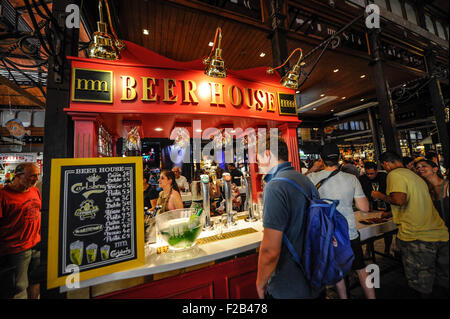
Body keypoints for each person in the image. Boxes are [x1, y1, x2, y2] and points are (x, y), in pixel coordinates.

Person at [372, 151, 449, 298]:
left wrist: (379, 196)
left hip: (417, 236)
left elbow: (400, 200)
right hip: (439, 234)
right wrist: (390, 213)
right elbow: (415, 202)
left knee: (422, 285)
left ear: (385, 164)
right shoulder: (414, 176)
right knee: (441, 280)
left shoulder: (394, 174)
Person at [256, 135, 322, 299]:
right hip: (314, 275)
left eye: (258, 159)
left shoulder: (275, 186)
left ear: (268, 154)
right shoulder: (303, 179)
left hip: (289, 285)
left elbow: (270, 250)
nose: (257, 165)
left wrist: (260, 282)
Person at [308, 143, 375, 299]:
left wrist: (312, 169)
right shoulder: (351, 178)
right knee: (360, 268)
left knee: (336, 270)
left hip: (327, 234)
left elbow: (300, 183)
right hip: (349, 231)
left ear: (321, 159)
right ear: (339, 158)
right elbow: (364, 207)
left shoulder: (312, 178)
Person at [0, 163, 42, 299]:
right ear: (18, 176)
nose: (36, 179)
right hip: (15, 249)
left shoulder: (35, 191)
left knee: (35, 280)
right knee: (17, 287)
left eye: (37, 175)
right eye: (32, 176)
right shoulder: (3, 196)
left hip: (36, 243)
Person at [358, 161, 392, 255]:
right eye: (367, 173)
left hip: (386, 205)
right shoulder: (362, 178)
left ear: (376, 171)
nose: (369, 175)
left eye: (372, 173)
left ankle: (387, 250)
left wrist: (382, 197)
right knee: (370, 229)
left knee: (388, 229)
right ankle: (369, 249)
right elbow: (363, 193)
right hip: (372, 206)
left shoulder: (383, 176)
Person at [415, 159, 449, 228]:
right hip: (441, 232)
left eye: (423, 166)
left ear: (435, 169)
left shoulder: (447, 186)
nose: (420, 169)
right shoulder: (426, 190)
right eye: (417, 168)